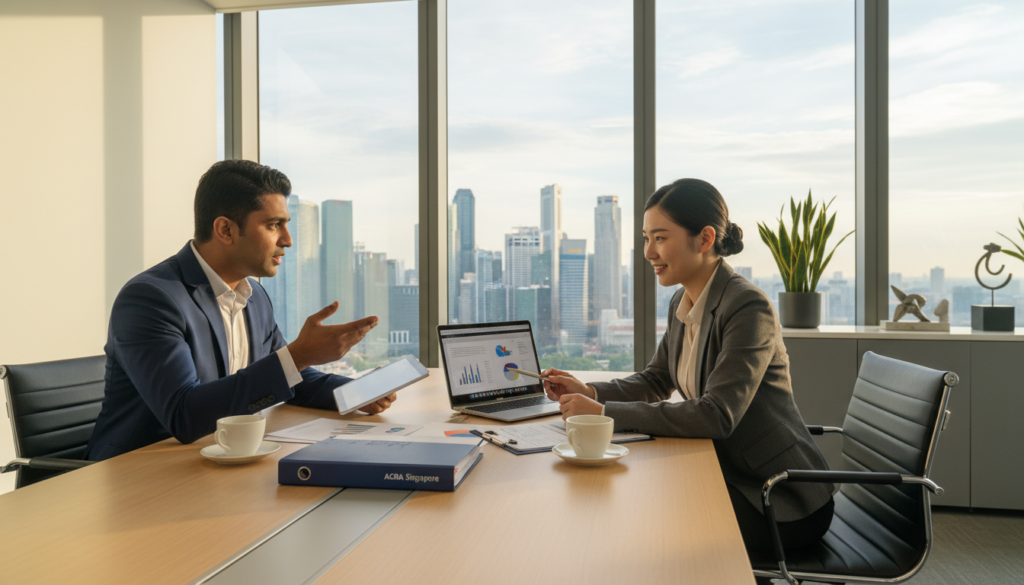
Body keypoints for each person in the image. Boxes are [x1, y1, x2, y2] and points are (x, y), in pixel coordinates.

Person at [542, 178, 834, 563]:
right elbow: (656, 379)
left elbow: (717, 415)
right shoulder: (684, 299)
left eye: (660, 238)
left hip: (778, 496)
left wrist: (602, 415)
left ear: (705, 238)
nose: (648, 252)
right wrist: (592, 391)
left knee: (645, 520)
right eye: (646, 238)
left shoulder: (748, 307)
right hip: (725, 472)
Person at [86, 160, 396, 461]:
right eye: (273, 225)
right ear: (225, 230)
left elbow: (290, 378)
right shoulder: (151, 298)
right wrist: (300, 354)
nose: (287, 240)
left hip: (220, 460)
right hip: (139, 472)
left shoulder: (254, 296)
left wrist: (358, 391)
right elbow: (184, 415)